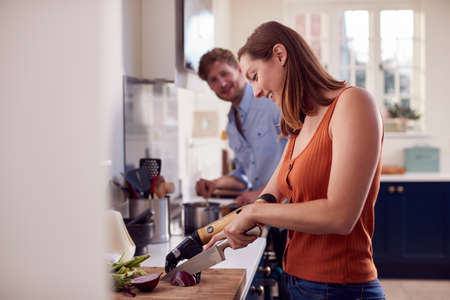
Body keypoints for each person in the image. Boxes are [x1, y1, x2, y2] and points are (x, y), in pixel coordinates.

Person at [205, 21, 386, 299]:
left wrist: (254, 213)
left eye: (254, 76)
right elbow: (270, 195)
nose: (256, 92)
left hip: (342, 288)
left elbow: (341, 216)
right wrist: (223, 230)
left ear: (280, 55)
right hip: (298, 282)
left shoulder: (353, 103)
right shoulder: (300, 126)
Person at [195, 48, 287, 206]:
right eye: (213, 80)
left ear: (239, 70)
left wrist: (261, 194)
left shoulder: (271, 101)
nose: (222, 83)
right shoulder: (231, 126)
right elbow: (243, 176)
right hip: (266, 216)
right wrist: (215, 184)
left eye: (224, 73)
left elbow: (296, 162)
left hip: (289, 209)